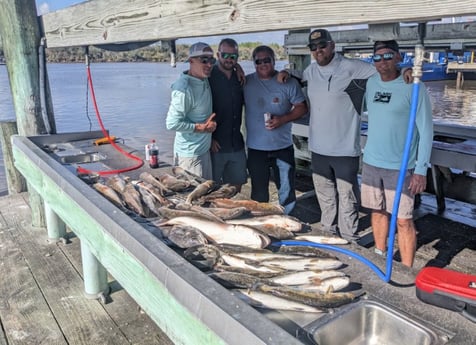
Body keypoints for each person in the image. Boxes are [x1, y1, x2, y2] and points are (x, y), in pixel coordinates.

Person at [279, 29, 412, 242]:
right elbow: (298, 76)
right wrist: (286, 71)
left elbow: (383, 70)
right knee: (326, 197)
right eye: (313, 48)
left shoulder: (352, 67)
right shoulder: (311, 71)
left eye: (322, 45)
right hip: (317, 148)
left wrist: (406, 67)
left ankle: (349, 239)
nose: (318, 50)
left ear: (332, 45)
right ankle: (328, 233)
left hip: (345, 149)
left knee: (347, 198)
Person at [361, 40, 433, 267]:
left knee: (403, 220)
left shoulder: (414, 86)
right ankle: (380, 255)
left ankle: (406, 268)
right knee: (378, 211)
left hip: (401, 166)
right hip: (372, 162)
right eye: (377, 57)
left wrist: (421, 169)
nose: (383, 62)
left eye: (388, 56)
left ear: (399, 57)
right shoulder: (370, 83)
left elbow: (427, 131)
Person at [244, 45, 308, 214]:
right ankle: (261, 222)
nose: (263, 64)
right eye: (259, 61)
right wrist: (236, 67)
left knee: (286, 191)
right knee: (258, 192)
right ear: (254, 63)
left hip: (283, 147)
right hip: (256, 149)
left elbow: (302, 107)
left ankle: (288, 221)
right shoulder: (246, 81)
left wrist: (283, 119)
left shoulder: (287, 81)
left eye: (267, 60)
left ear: (274, 61)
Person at [166, 42, 217, 179]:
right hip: (190, 157)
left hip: (203, 152)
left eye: (211, 60)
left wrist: (237, 67)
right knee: (193, 198)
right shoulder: (184, 89)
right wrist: (202, 128)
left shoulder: (203, 77)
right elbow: (171, 123)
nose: (209, 65)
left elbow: (227, 63)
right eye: (204, 60)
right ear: (191, 61)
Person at [209, 38, 248, 191]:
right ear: (218, 55)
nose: (229, 60)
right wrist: (209, 138)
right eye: (225, 55)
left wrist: (238, 68)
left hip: (236, 143)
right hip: (216, 145)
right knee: (211, 188)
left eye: (234, 57)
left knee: (236, 186)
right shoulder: (208, 75)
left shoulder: (240, 79)